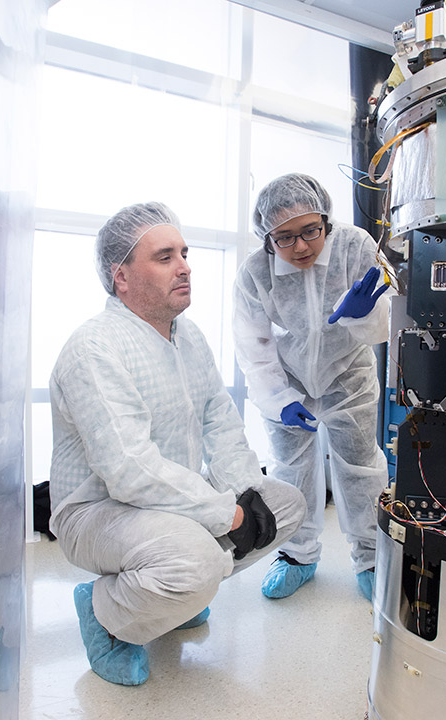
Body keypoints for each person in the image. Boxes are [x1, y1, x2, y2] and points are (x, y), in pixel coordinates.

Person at [48, 202, 306, 687]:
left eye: (184, 253)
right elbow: (128, 469)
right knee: (199, 558)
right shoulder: (94, 348)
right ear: (121, 276)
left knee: (284, 506)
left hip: (174, 499)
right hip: (96, 509)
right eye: (165, 257)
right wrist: (225, 515)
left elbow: (220, 425)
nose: (185, 266)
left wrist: (246, 493)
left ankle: (171, 599)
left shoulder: (188, 338)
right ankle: (103, 612)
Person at [233, 173, 391, 602]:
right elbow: (254, 344)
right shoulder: (254, 272)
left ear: (327, 220)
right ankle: (296, 555)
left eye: (310, 231)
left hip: (348, 372)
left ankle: (373, 557)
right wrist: (280, 399)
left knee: (360, 466)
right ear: (266, 239)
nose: (300, 246)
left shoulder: (355, 247)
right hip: (289, 377)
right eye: (284, 237)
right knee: (290, 468)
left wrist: (363, 314)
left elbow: (380, 329)